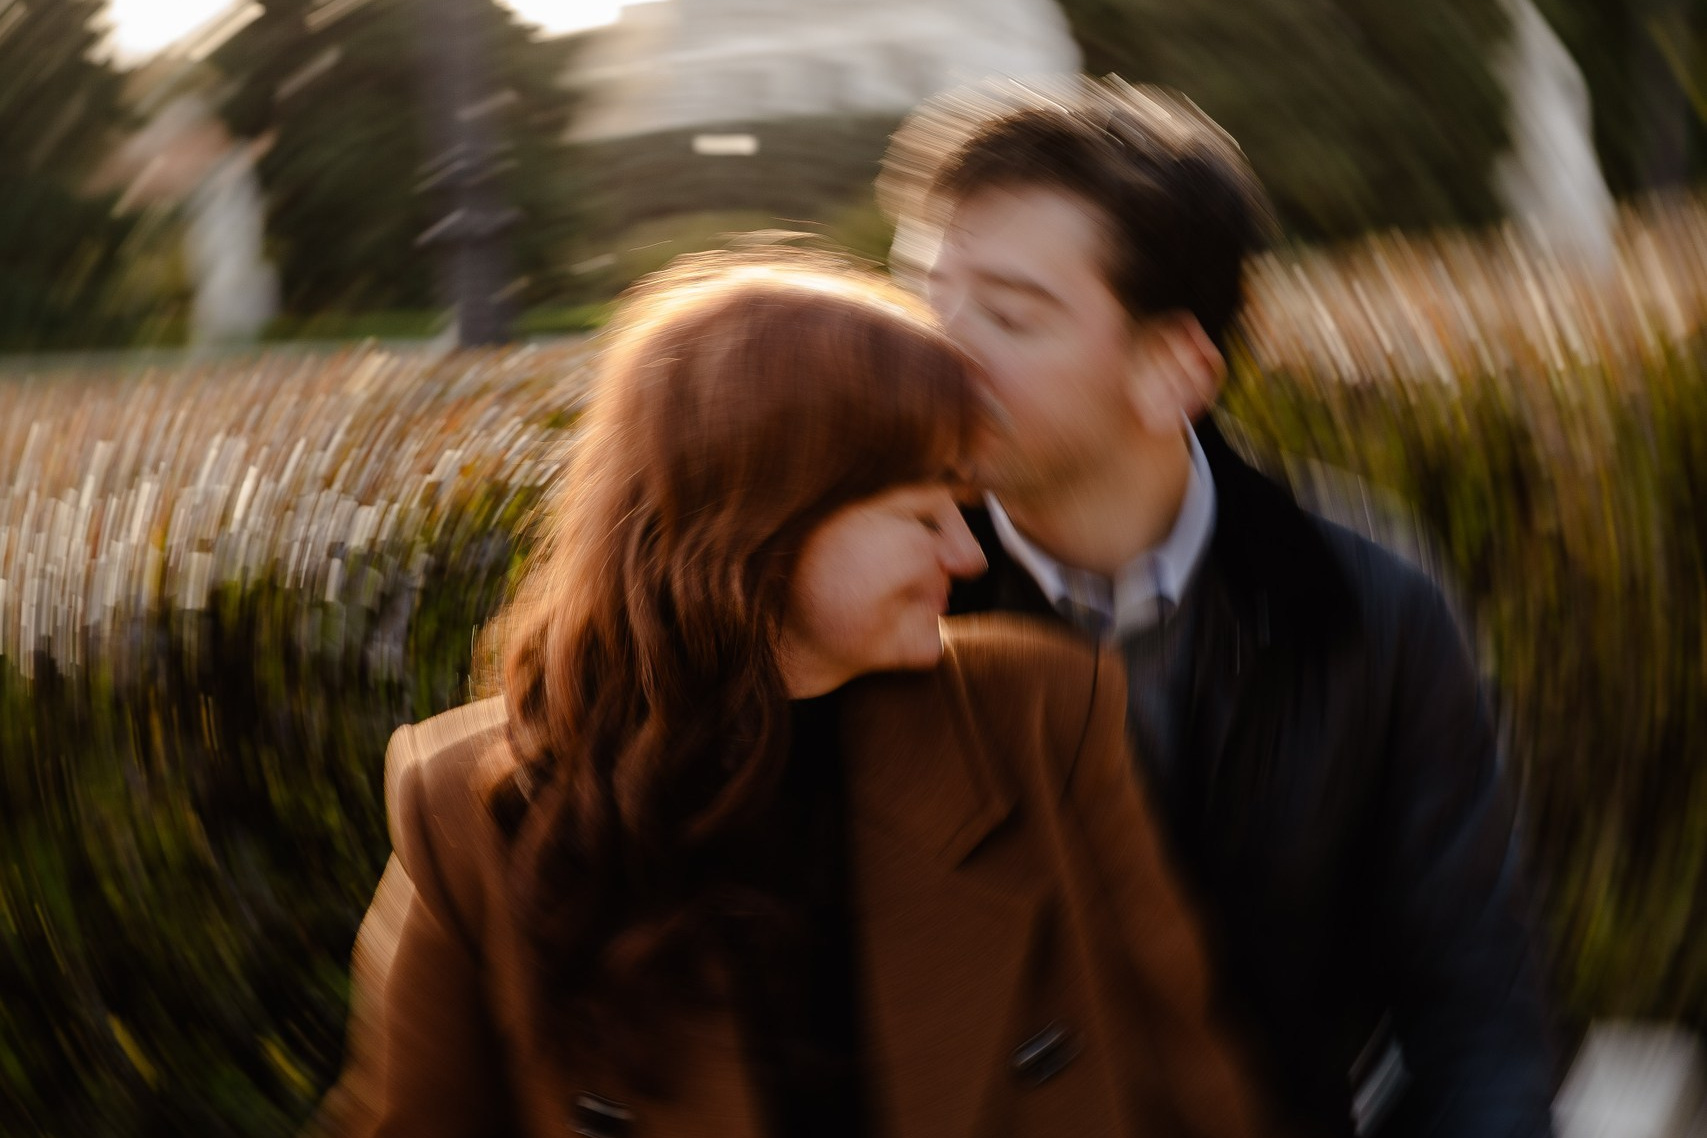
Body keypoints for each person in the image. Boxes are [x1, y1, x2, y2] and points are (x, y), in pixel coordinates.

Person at [317, 251, 1272, 1138]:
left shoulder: (1037, 713)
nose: (967, 553)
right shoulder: (473, 806)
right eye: (923, 514)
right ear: (762, 529)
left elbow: (1191, 1075)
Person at [879, 78, 1558, 1138]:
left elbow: (1475, 1004)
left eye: (1008, 315)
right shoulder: (876, 605)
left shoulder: (1369, 606)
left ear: (1172, 372)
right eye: (924, 289)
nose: (933, 343)